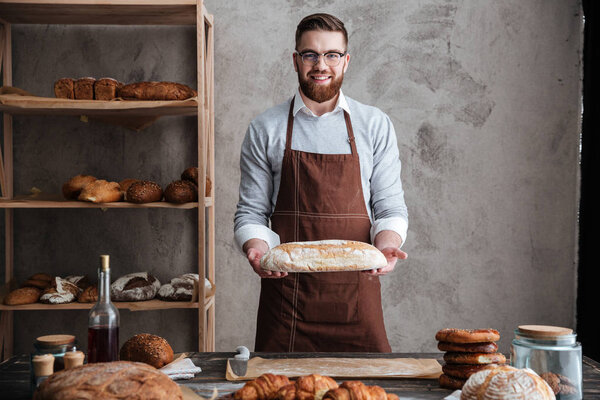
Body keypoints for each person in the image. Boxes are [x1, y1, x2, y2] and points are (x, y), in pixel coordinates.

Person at [234, 13, 408, 352]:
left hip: (356, 301)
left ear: (346, 61)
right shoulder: (265, 128)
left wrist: (387, 245)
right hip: (286, 306)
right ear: (295, 60)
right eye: (310, 54)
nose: (321, 64)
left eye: (332, 54)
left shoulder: (374, 124)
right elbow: (251, 213)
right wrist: (255, 247)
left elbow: (389, 207)